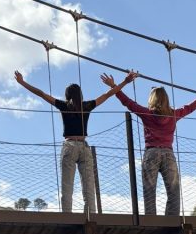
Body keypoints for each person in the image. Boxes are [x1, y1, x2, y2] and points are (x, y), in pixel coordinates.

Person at [14, 69, 134, 213]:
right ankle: (92, 216)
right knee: (89, 187)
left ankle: (67, 217)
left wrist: (22, 83)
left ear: (67, 95)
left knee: (67, 187)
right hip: (84, 147)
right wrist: (125, 82)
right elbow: (108, 94)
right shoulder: (87, 105)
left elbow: (42, 94)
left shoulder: (64, 106)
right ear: (80, 95)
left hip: (70, 146)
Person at [101, 72, 196, 216]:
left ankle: (151, 221)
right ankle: (171, 220)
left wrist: (114, 86)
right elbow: (190, 107)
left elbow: (128, 103)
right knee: (174, 191)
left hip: (151, 153)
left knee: (149, 191)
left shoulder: (147, 114)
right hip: (168, 154)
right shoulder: (174, 114)